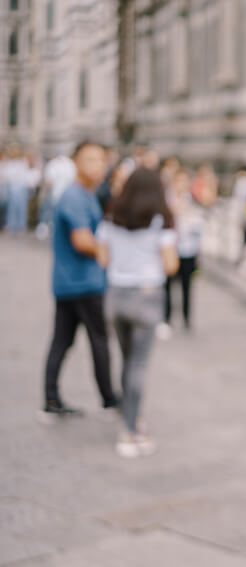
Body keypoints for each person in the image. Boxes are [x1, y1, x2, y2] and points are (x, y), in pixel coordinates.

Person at [96, 168, 178, 457]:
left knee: (128, 360)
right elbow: (170, 266)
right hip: (146, 295)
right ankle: (130, 431)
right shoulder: (160, 220)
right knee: (138, 365)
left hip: (116, 295)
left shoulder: (110, 217)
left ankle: (129, 417)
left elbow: (102, 257)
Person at [42, 141, 119, 418]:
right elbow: (82, 241)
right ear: (75, 162)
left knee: (62, 341)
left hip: (69, 282)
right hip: (83, 283)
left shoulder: (86, 194)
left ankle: (51, 398)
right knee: (98, 340)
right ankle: (109, 397)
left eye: (101, 160)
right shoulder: (75, 197)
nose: (97, 166)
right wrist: (109, 251)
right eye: (90, 159)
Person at [163, 167, 204, 335]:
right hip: (171, 249)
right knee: (168, 286)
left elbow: (200, 223)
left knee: (187, 285)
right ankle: (166, 318)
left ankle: (187, 318)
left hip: (188, 249)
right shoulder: (167, 201)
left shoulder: (192, 200)